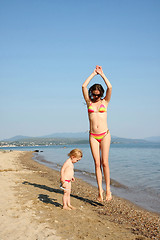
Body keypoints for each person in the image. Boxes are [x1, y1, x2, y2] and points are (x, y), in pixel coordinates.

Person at [82, 65, 112, 202]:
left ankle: (108, 191)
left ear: (101, 94)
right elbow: (83, 86)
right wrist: (93, 73)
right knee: (96, 163)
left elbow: (110, 87)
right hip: (93, 136)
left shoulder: (105, 101)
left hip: (105, 135)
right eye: (93, 94)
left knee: (105, 163)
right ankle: (99, 190)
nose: (95, 96)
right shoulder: (89, 102)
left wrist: (102, 74)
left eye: (97, 94)